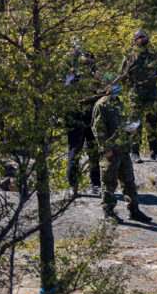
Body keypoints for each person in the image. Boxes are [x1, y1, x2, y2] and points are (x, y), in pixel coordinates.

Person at [92, 83, 152, 224]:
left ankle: (134, 210)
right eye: (115, 85)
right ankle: (108, 212)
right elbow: (98, 128)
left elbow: (121, 124)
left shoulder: (119, 103)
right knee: (109, 183)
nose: (118, 88)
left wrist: (130, 130)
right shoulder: (101, 104)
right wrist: (104, 149)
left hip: (123, 149)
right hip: (110, 151)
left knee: (129, 181)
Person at [120, 29, 157, 163]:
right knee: (134, 125)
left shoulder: (153, 56)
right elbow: (122, 76)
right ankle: (134, 153)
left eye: (144, 37)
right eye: (139, 38)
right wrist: (131, 89)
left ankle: (155, 152)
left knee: (152, 124)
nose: (142, 40)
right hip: (136, 95)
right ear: (135, 41)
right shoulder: (129, 57)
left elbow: (156, 74)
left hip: (151, 94)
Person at [64, 42, 101, 194]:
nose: (89, 62)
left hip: (92, 118)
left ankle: (95, 183)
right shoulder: (72, 74)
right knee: (75, 151)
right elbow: (65, 91)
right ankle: (72, 184)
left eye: (91, 60)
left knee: (94, 151)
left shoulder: (97, 75)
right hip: (75, 117)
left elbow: (111, 84)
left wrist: (103, 78)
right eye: (86, 59)